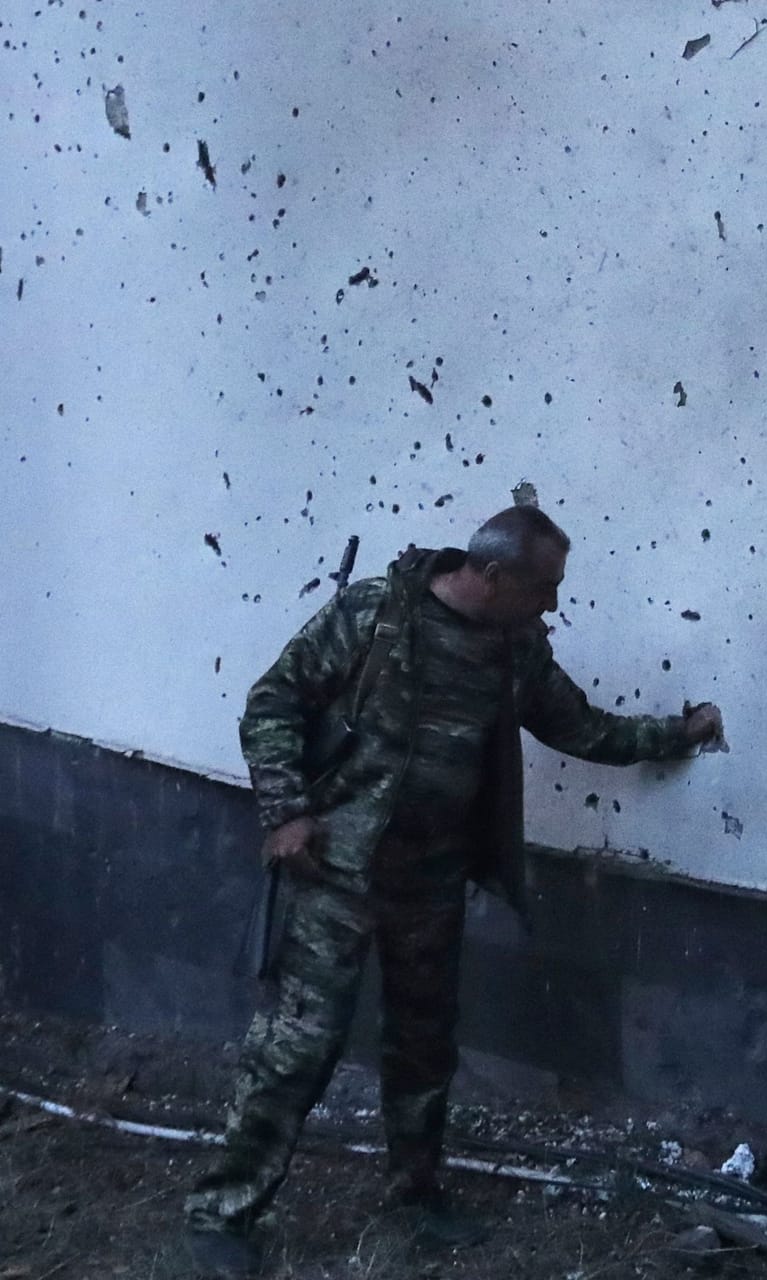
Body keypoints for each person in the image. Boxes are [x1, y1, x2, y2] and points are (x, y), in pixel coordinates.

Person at [182, 505, 724, 1275]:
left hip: (431, 878)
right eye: (545, 587)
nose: (554, 604)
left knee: (424, 1045)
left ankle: (415, 1194)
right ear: (495, 576)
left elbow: (581, 727)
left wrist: (678, 732)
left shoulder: (515, 647)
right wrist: (286, 811)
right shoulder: (375, 612)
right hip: (335, 868)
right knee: (296, 1048)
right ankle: (221, 1215)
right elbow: (274, 698)